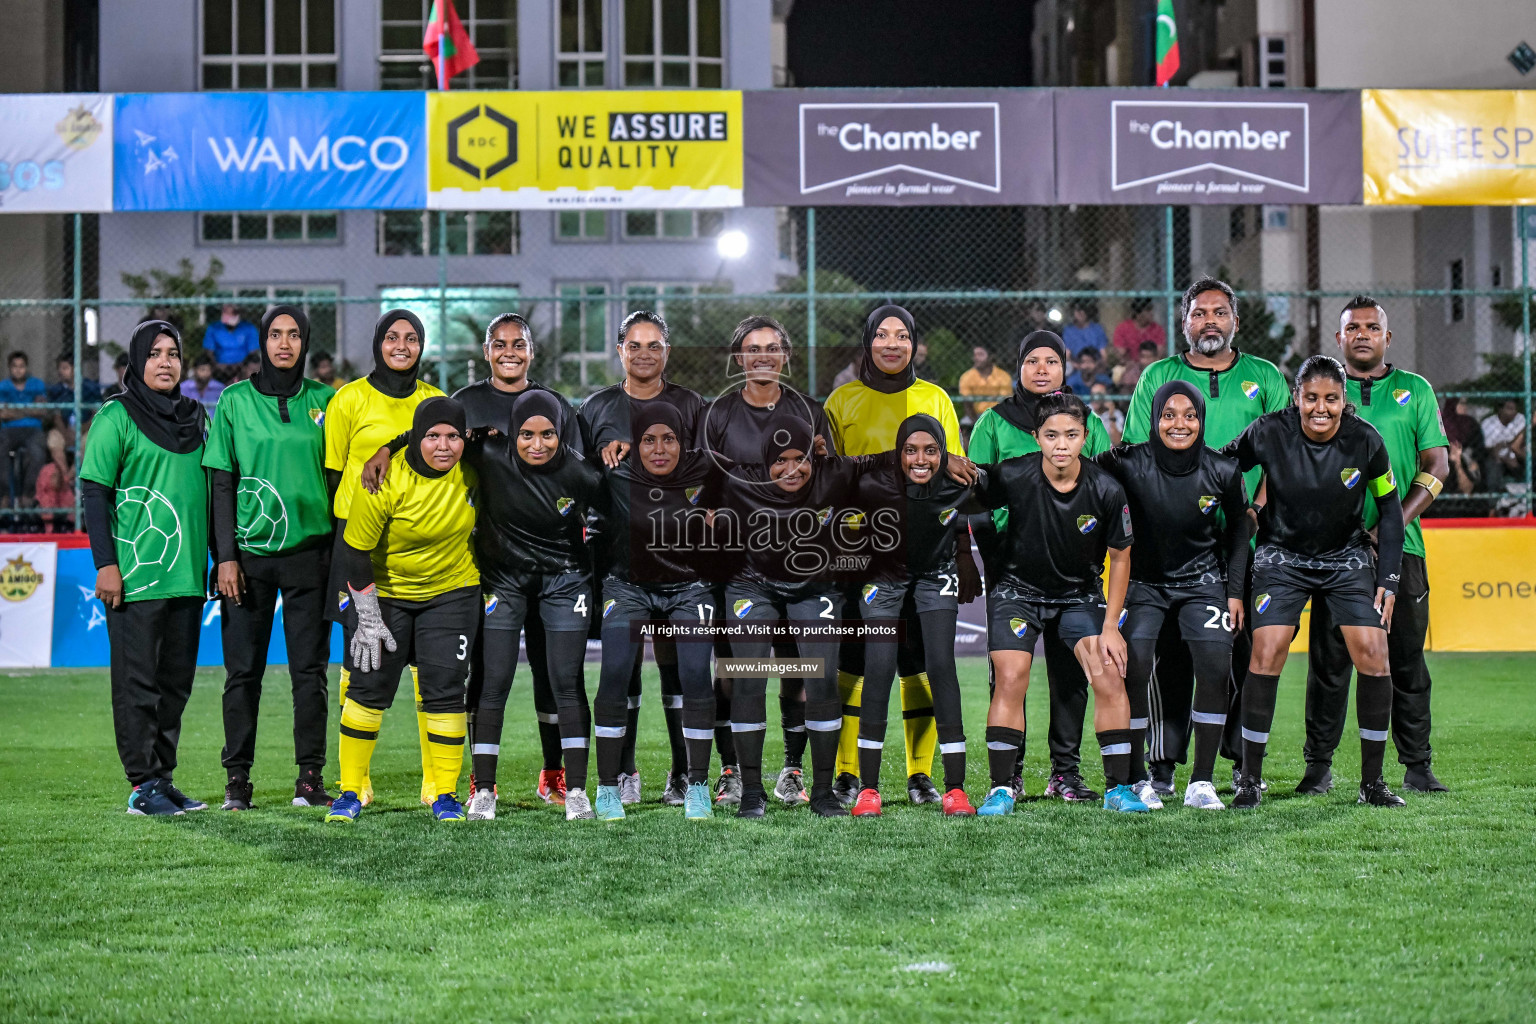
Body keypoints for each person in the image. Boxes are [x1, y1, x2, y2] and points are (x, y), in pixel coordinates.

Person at [1123, 277, 1290, 797]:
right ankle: (1164, 765)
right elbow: (1132, 455)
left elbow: (1284, 453)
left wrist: (1257, 508)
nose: (1209, 321)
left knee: (1239, 655)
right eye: (1200, 313)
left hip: (1248, 540)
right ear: (1185, 322)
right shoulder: (1158, 376)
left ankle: (1239, 765)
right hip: (1173, 547)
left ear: (1235, 321)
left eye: (1220, 313)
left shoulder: (1263, 376)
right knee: (1168, 658)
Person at [1225, 355, 1405, 809]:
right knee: (1267, 650)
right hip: (1280, 556)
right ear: (1296, 398)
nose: (1320, 408)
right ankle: (1249, 778)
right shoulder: (1268, 431)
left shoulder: (1365, 441)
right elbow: (1222, 466)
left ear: (1345, 401)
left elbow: (1390, 510)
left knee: (1374, 652)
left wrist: (1388, 578)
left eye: (1331, 399)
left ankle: (1373, 784)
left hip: (1346, 557)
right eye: (1311, 398)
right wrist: (1241, 511)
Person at [823, 305, 972, 808]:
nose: (892, 343)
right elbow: (829, 480)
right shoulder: (842, 400)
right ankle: (847, 775)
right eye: (882, 334)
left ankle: (920, 775)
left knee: (916, 665)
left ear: (914, 344)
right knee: (852, 662)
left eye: (902, 335)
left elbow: (952, 480)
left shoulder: (935, 398)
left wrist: (963, 553)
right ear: (867, 342)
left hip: (923, 553)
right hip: (857, 554)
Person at [971, 390, 1145, 815]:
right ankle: (1001, 788)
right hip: (1017, 592)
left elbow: (1121, 556)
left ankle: (1118, 789)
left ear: (1086, 436)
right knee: (1011, 677)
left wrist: (1109, 627)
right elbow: (970, 499)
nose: (1061, 444)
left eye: (1071, 434)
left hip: (1078, 596)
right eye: (1051, 435)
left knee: (1108, 676)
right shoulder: (1012, 475)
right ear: (1037, 437)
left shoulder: (1106, 488)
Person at [1303, 297, 1449, 795]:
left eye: (1372, 327)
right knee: (1329, 661)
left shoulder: (1415, 390)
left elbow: (1437, 466)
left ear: (1388, 338)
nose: (1362, 334)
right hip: (1333, 553)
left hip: (1401, 549)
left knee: (1406, 657)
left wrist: (1389, 525)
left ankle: (1417, 764)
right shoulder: (1321, 393)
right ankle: (1318, 768)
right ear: (1338, 339)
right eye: (1352, 328)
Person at [968, 330, 1113, 800]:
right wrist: (995, 549)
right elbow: (976, 495)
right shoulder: (994, 422)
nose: (1043, 369)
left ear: (1065, 368)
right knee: (1010, 672)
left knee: (1071, 673)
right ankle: (1007, 775)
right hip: (1015, 565)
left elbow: (1105, 487)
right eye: (1033, 360)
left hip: (1075, 570)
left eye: (1052, 360)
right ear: (1019, 367)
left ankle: (1064, 774)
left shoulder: (1086, 420)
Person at [204, 305, 337, 812]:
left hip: (311, 556)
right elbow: (221, 482)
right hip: (249, 560)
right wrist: (226, 558)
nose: (285, 343)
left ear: (305, 342)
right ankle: (237, 779)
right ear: (262, 341)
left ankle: (310, 777)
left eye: (295, 335)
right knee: (243, 673)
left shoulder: (326, 401)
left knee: (311, 673)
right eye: (276, 334)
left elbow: (338, 481)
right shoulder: (234, 401)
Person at [1096, 382, 1250, 810]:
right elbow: (1079, 473)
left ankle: (1201, 782)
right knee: (1135, 664)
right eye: (1169, 414)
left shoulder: (1222, 469)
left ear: (1201, 420)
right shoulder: (1125, 461)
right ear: (1154, 419)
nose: (1179, 423)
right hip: (1144, 585)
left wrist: (1234, 591)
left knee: (1217, 667)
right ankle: (1138, 779)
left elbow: (1240, 530)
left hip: (1202, 582)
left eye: (1189, 415)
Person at [326, 398, 480, 824]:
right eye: (432, 436)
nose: (443, 445)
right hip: (386, 595)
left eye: (453, 436)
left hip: (453, 594)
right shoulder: (383, 478)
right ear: (416, 438)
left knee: (446, 692)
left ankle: (444, 794)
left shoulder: (475, 469)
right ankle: (351, 791)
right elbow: (355, 552)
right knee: (367, 689)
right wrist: (368, 615)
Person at [700, 315, 833, 807]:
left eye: (772, 347)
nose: (762, 355)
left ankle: (793, 772)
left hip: (799, 572)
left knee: (800, 668)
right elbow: (705, 490)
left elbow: (831, 490)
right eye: (752, 348)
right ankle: (733, 772)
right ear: (738, 358)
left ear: (786, 357)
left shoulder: (812, 413)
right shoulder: (718, 415)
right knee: (736, 671)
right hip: (739, 571)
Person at [80, 320, 209, 816]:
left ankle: (163, 778)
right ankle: (141, 786)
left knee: (174, 685)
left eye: (173, 353)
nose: (165, 362)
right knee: (137, 684)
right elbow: (95, 493)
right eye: (154, 353)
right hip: (135, 577)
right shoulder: (116, 416)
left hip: (186, 576)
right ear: (136, 361)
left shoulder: (197, 417)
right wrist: (105, 565)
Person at [454, 313, 583, 806]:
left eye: (519, 343)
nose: (510, 351)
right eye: (500, 344)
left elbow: (571, 478)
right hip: (494, 566)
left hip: (550, 567)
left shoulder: (554, 405)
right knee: (489, 675)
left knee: (555, 677)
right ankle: (480, 782)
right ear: (486, 351)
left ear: (532, 350)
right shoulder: (465, 404)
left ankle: (555, 774)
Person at [714, 413, 871, 818]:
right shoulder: (739, 480)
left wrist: (946, 460)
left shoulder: (834, 474)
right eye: (779, 460)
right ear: (764, 463)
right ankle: (752, 791)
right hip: (751, 585)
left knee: (820, 682)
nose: (790, 468)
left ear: (815, 458)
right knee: (749, 682)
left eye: (799, 458)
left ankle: (820, 792)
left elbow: (888, 462)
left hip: (815, 586)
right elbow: (682, 464)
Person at [323, 309, 445, 807]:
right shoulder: (348, 399)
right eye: (392, 337)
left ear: (422, 346)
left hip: (422, 549)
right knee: (361, 659)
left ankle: (435, 781)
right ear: (378, 343)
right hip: (360, 550)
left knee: (426, 666)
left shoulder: (435, 400)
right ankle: (355, 780)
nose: (401, 345)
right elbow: (334, 475)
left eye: (411, 338)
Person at [591, 405, 725, 819]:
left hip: (689, 589)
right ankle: (608, 787)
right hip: (628, 589)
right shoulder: (614, 472)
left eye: (669, 439)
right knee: (614, 674)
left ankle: (698, 785)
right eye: (648, 439)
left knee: (695, 675)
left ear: (684, 442)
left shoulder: (708, 470)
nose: (660, 448)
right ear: (634, 443)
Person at [850, 415, 984, 817]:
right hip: (883, 579)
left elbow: (1006, 486)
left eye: (931, 450)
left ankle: (955, 790)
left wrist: (965, 556)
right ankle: (867, 791)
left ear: (944, 454)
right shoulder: (874, 486)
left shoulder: (958, 486)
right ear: (898, 453)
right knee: (878, 668)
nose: (920, 459)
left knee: (941, 666)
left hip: (934, 576)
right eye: (910, 450)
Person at [0, 351, 49, 519]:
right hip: (8, 430)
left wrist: (14, 410)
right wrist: (29, 411)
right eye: (15, 366)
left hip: (33, 430)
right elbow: (2, 414)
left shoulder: (37, 384)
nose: (18, 370)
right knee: (1, 452)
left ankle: (27, 495)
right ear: (10, 368)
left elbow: (41, 411)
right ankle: (5, 495)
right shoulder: (3, 386)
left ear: (26, 367)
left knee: (37, 454)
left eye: (21, 366)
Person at [1479, 399, 1526, 496]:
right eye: (1509, 409)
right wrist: (1503, 457)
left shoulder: (1520, 418)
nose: (1513, 412)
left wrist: (1508, 447)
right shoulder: (1488, 423)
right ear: (1500, 410)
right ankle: (1493, 504)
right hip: (1496, 457)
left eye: (1515, 409)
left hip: (1515, 454)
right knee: (1494, 466)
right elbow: (1488, 448)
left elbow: (1521, 442)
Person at [47, 354, 102, 430]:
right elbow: (56, 416)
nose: (60, 371)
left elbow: (97, 414)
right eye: (58, 368)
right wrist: (66, 435)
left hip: (87, 428)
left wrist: (81, 430)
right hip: (64, 429)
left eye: (64, 368)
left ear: (75, 369)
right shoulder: (57, 389)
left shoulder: (89, 388)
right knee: (53, 438)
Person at [957, 345, 1013, 420]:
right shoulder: (966, 377)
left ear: (991, 357)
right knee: (964, 422)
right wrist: (977, 425)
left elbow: (1005, 403)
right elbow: (967, 405)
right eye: (974, 355)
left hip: (997, 415)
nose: (976, 358)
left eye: (980, 355)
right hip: (975, 416)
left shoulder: (1003, 376)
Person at [205, 304, 260, 379]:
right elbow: (209, 351)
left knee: (253, 365)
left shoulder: (249, 328)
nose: (230, 315)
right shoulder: (214, 328)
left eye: (234, 312)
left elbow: (253, 352)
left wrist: (241, 365)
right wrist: (217, 364)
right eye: (226, 312)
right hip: (219, 366)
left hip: (242, 366)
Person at [35, 429, 75, 531]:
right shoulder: (49, 470)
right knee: (54, 435)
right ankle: (66, 475)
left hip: (82, 444)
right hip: (54, 497)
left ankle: (67, 476)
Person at [1111, 297, 1166, 363]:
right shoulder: (1123, 328)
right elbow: (1121, 353)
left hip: (1150, 365)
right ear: (1139, 314)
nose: (1152, 313)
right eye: (1148, 310)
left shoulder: (1157, 329)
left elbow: (1158, 354)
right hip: (1129, 365)